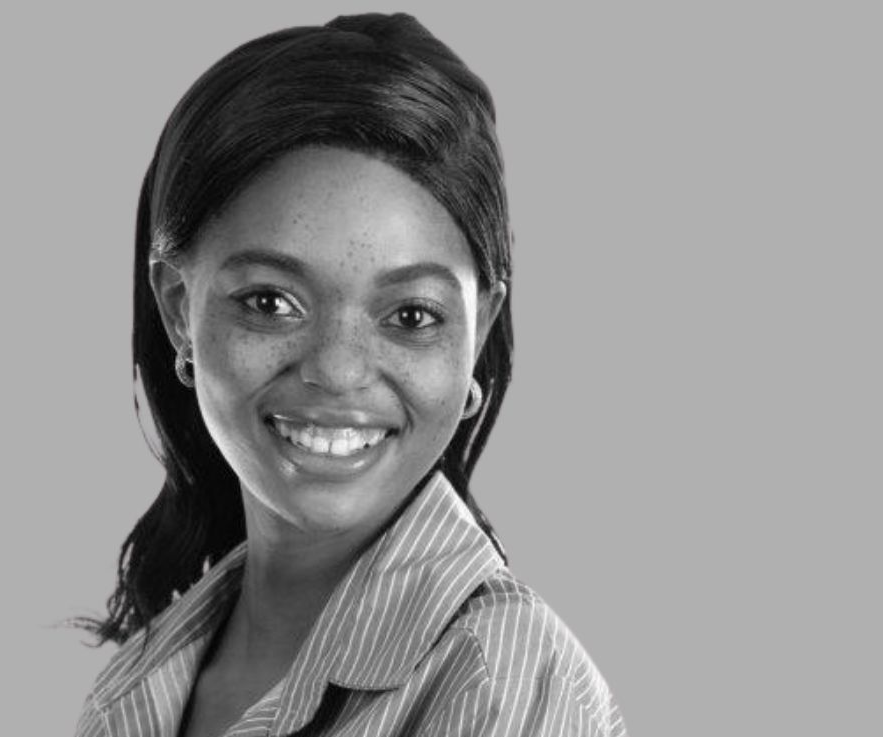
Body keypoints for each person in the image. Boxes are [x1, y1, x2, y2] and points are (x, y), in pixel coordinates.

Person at [74, 13, 624, 737]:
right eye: (270, 302)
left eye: (411, 315)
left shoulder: (504, 685)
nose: (336, 370)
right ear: (179, 308)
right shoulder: (137, 681)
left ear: (478, 331)